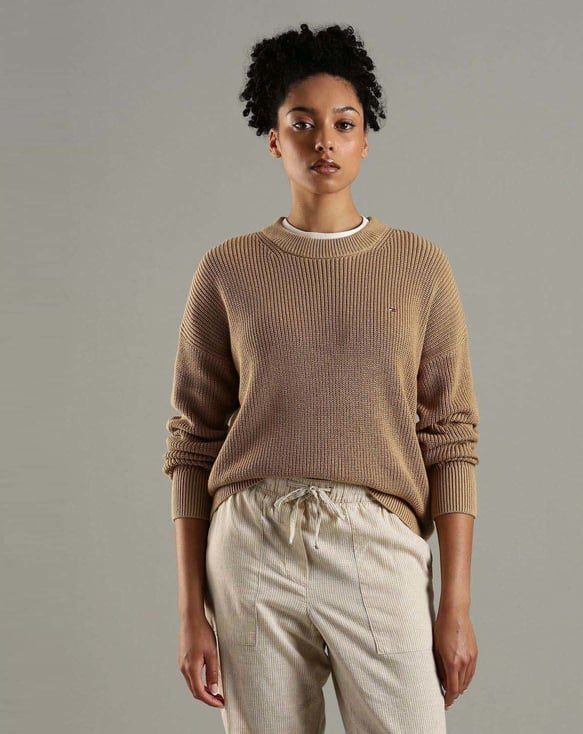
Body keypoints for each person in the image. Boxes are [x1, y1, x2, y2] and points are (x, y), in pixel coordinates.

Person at [163, 21, 480, 734]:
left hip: (379, 539)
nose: (324, 142)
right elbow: (192, 441)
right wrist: (190, 613)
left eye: (344, 123)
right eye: (301, 124)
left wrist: (454, 605)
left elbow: (452, 437)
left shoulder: (419, 266)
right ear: (274, 139)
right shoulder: (228, 269)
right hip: (251, 542)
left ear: (366, 139)